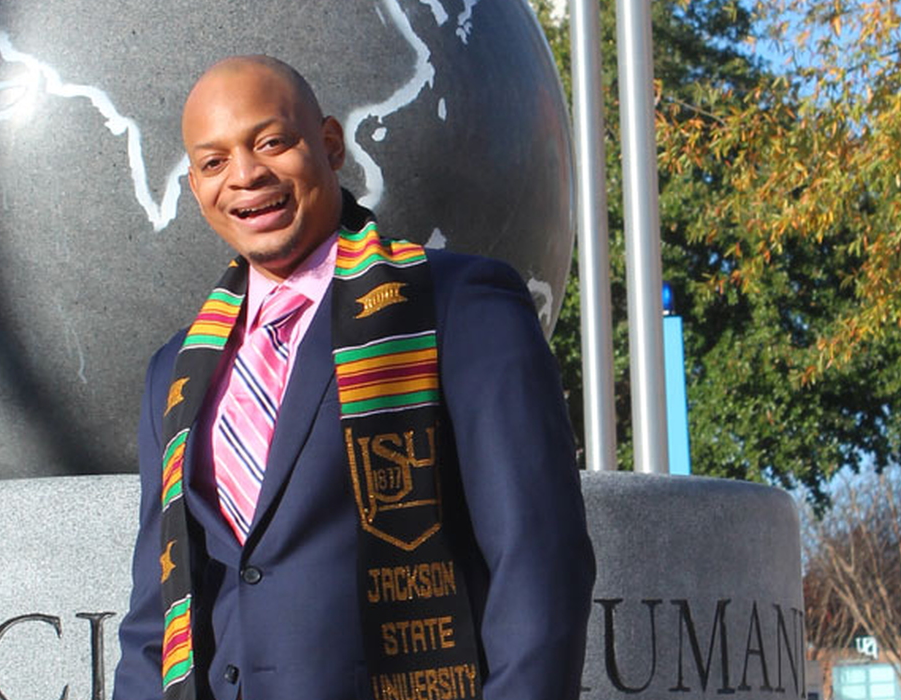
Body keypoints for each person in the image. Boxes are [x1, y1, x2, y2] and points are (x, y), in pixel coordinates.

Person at [115, 55, 594, 700]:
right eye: (213, 162)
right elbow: (155, 616)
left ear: (331, 145)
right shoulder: (172, 375)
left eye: (271, 142)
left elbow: (538, 562)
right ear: (197, 186)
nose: (246, 175)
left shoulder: (458, 305)